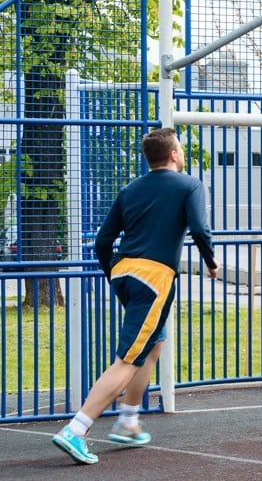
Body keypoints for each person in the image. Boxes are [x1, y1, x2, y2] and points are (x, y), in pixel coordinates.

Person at [52, 127, 219, 465]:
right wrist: (211, 262)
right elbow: (200, 229)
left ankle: (128, 422)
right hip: (154, 278)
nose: (182, 153)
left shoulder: (130, 188)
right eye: (181, 149)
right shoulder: (189, 184)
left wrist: (113, 273)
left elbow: (103, 240)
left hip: (124, 273)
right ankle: (77, 429)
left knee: (153, 344)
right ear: (173, 154)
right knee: (128, 358)